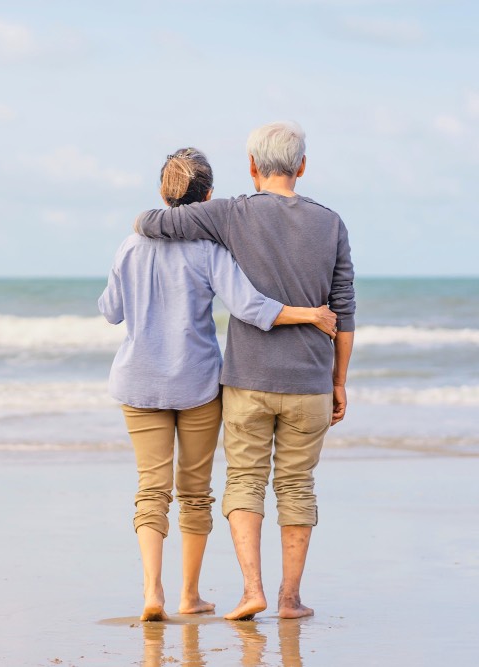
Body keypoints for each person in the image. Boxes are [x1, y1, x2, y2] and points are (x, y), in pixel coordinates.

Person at [98, 147, 338, 622]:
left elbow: (111, 311)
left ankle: (153, 592)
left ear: (162, 194)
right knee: (195, 491)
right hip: (198, 383)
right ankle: (189, 595)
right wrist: (310, 313)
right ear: (208, 196)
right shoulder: (209, 250)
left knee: (151, 488)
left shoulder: (130, 245)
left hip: (139, 382)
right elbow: (251, 308)